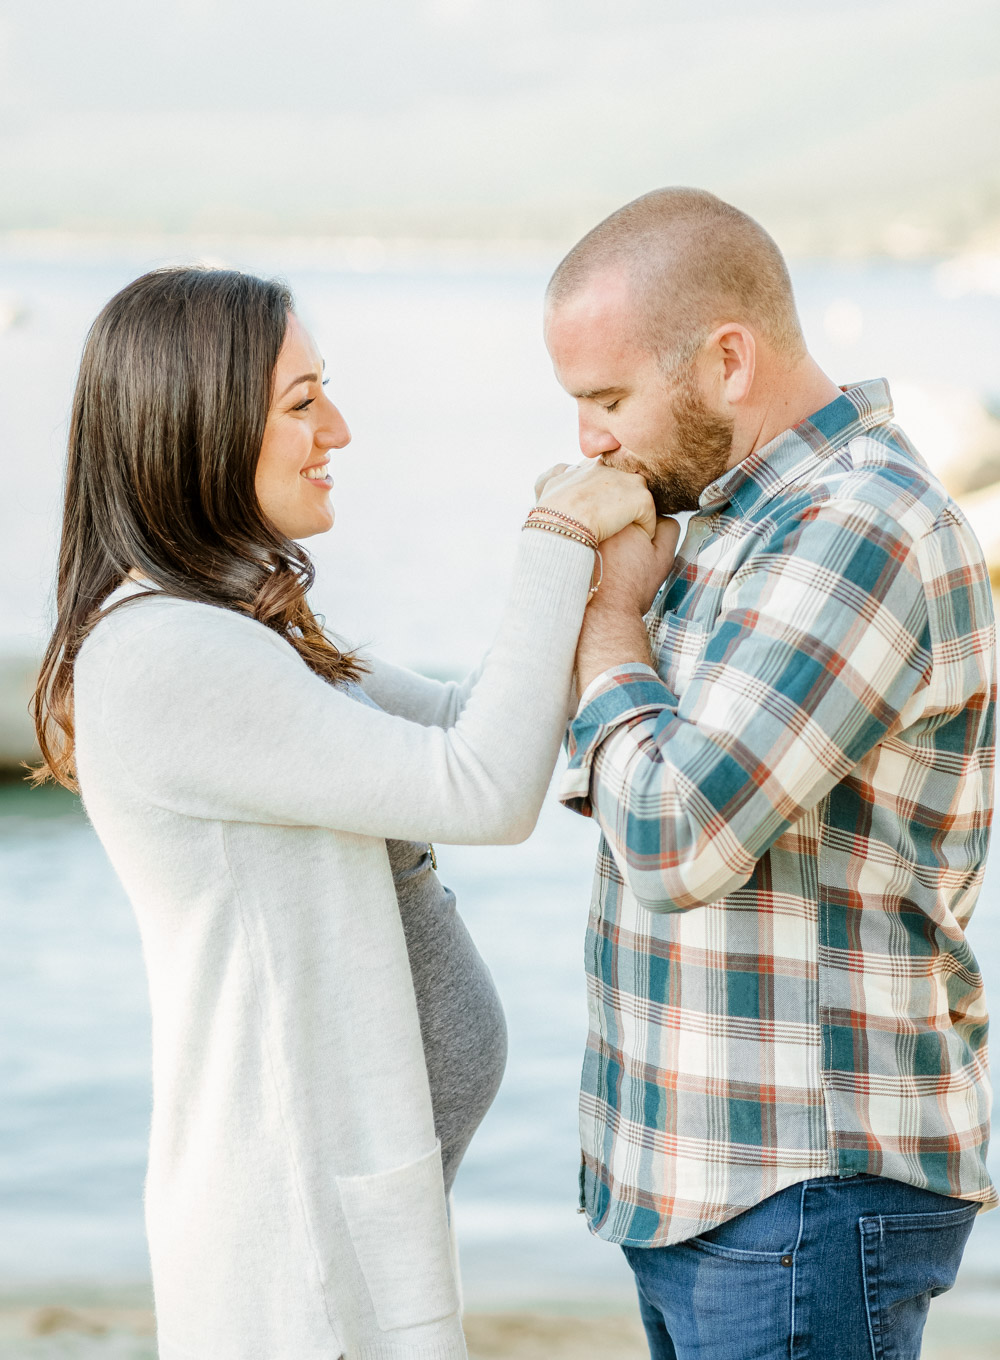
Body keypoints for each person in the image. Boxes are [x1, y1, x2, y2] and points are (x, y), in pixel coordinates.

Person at [31, 266, 657, 1360]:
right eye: (303, 401)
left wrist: (612, 587)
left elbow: (470, 725)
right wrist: (556, 535)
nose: (342, 429)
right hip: (291, 1253)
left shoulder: (235, 629)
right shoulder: (164, 657)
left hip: (340, 1220)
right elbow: (483, 790)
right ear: (201, 427)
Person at [540, 188, 996, 1360]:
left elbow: (675, 835)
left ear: (727, 360)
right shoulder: (733, 520)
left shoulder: (855, 524)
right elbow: (608, 763)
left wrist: (609, 619)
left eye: (606, 399)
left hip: (800, 1185)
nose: (587, 438)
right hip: (710, 1183)